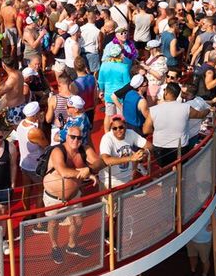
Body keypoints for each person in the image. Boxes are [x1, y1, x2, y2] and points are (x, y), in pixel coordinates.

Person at [42, 126, 104, 264]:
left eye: (79, 137)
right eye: (72, 137)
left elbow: (99, 162)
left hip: (74, 195)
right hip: (54, 197)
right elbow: (63, 171)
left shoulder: (85, 149)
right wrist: (86, 174)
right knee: (53, 223)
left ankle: (72, 245)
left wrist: (90, 169)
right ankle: (55, 246)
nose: (76, 140)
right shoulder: (58, 151)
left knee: (78, 221)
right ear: (66, 136)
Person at [150, 83, 206, 167]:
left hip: (160, 147)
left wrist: (158, 130)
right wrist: (209, 110)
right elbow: (201, 115)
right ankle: (179, 178)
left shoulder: (153, 110)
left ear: (166, 93)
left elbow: (146, 130)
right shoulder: (186, 107)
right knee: (180, 167)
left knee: (163, 169)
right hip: (180, 147)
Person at [14, 100, 49, 209]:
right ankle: (39, 221)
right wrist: (42, 124)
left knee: (27, 189)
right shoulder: (34, 131)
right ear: (35, 115)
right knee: (40, 191)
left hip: (24, 165)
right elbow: (46, 145)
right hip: (36, 167)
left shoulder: (20, 124)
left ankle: (27, 214)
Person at [98, 116, 149, 188]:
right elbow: (107, 160)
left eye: (121, 127)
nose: (118, 130)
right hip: (111, 183)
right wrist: (131, 158)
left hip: (127, 180)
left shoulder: (131, 133)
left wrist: (141, 152)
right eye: (114, 128)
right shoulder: (107, 138)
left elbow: (149, 146)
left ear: (125, 126)